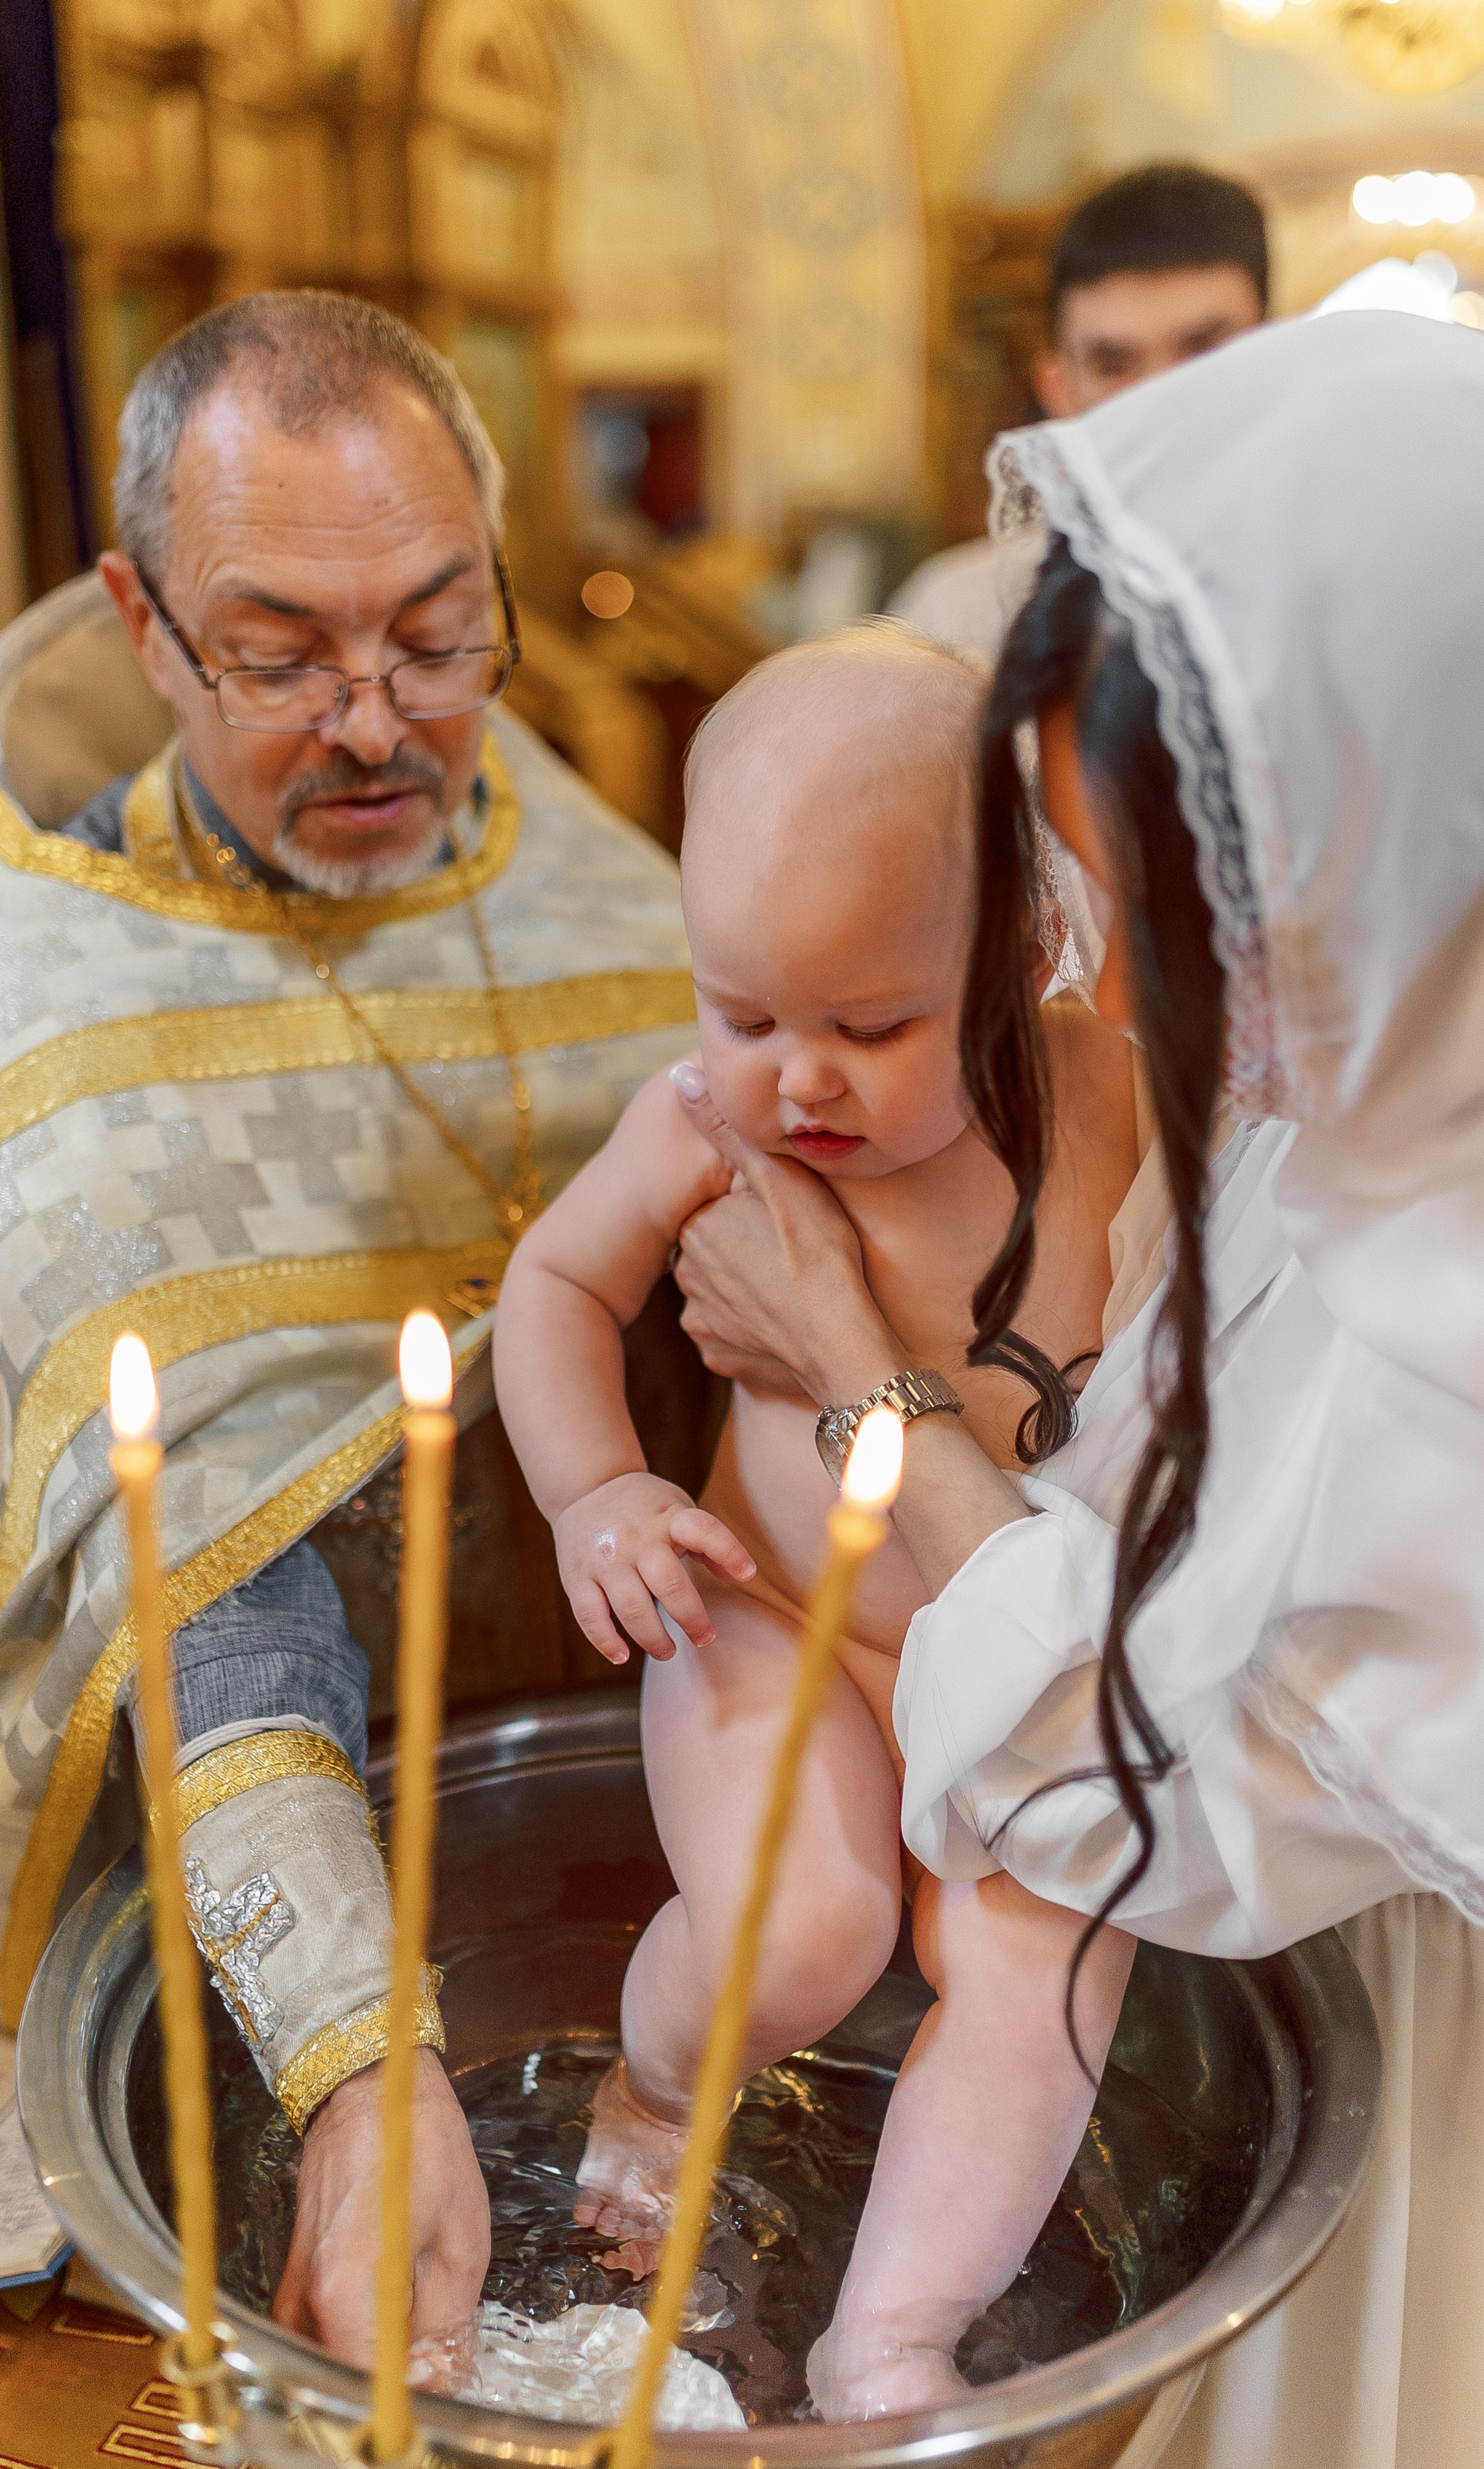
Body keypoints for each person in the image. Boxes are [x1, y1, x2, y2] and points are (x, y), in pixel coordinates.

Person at [664, 309, 1484, 2464]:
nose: (1111, 983)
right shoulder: (1369, 1087)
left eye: (1179, 900)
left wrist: (854, 1371)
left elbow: (1136, 1770)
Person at [0, 291, 698, 2367]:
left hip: (609, 1803)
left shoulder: (588, 867)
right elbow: (214, 1584)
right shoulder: (78, 1025)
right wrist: (360, 2061)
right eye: (279, 652)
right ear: (143, 624)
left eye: (439, 635)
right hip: (238, 1834)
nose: (375, 723)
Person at [494, 625, 1141, 2416]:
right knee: (805, 1930)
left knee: (1056, 1940)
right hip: (774, 1620)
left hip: (988, 1640)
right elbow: (553, 1284)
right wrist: (598, 1487)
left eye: (872, 1025)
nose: (799, 1082)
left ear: (1018, 952)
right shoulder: (710, 1125)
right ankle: (651, 2083)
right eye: (747, 1009)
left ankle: (897, 2333)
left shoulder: (1104, 1102)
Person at [892, 163, 1267, 665]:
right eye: (1114, 365)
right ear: (1058, 389)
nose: (1157, 400)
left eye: (1203, 351)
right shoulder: (956, 621)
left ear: (1277, 355)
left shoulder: (1358, 590)